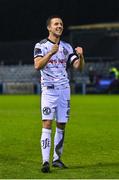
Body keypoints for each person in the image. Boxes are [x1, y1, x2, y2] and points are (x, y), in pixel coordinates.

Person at [34, 15, 85, 173]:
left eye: (61, 24)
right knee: (47, 123)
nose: (59, 26)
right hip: (49, 90)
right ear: (49, 27)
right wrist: (50, 53)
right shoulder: (40, 46)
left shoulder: (67, 47)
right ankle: (45, 162)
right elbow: (37, 66)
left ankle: (57, 159)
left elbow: (78, 67)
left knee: (61, 125)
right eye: (56, 24)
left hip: (64, 90)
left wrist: (81, 56)